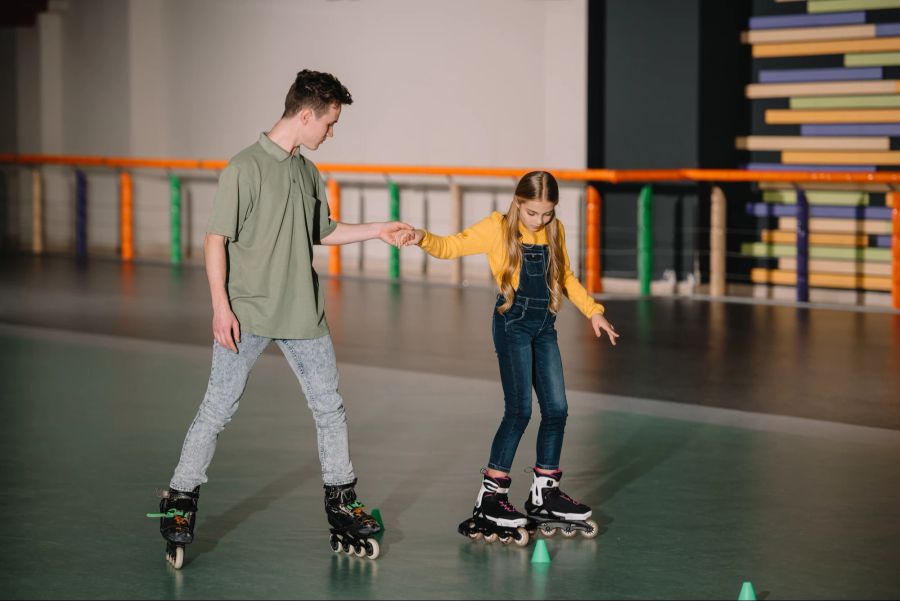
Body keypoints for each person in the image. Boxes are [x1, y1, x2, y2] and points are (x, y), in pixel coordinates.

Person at [152, 69, 410, 566]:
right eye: (330, 124)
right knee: (217, 408)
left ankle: (341, 501)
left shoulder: (307, 171)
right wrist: (220, 307)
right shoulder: (244, 168)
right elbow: (215, 240)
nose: (330, 134)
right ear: (307, 114)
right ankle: (180, 500)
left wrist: (379, 229)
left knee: (329, 408)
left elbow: (325, 231)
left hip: (302, 313)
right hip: (245, 314)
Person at [401, 171, 619, 545]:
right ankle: (491, 497)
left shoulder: (555, 230)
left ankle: (544, 494)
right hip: (512, 325)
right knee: (519, 410)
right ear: (518, 202)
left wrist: (593, 311)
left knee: (557, 409)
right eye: (533, 213)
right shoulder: (497, 227)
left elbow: (565, 275)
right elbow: (451, 246)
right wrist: (421, 237)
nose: (540, 221)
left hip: (545, 327)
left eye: (547, 213)